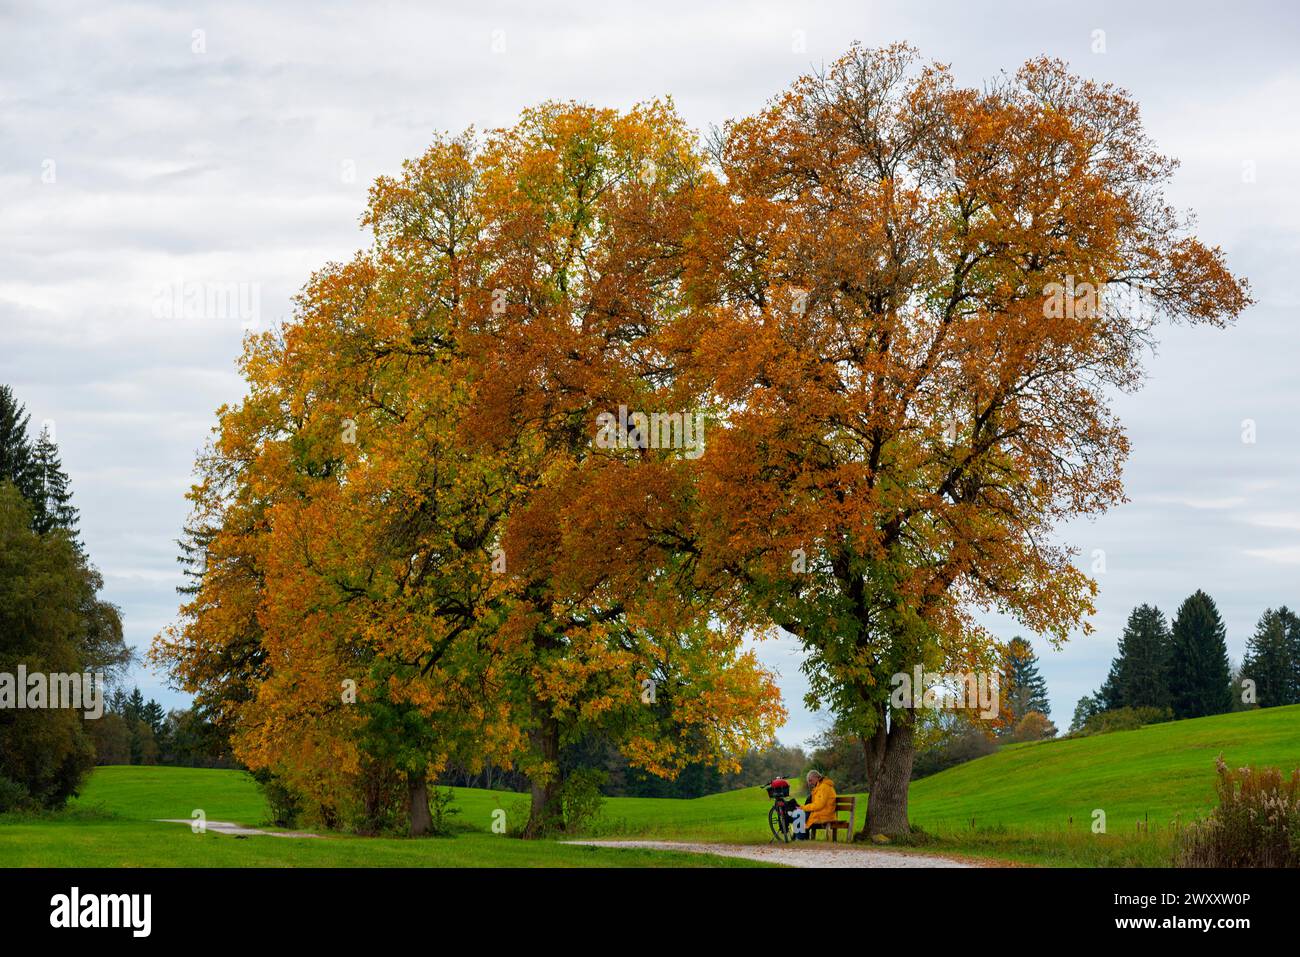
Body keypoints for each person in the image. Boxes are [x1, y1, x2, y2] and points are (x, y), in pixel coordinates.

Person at [793, 770, 837, 840]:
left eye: (810, 780)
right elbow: (817, 804)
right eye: (809, 781)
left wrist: (803, 808)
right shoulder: (819, 786)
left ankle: (800, 839)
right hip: (821, 812)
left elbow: (819, 805)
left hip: (825, 814)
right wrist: (803, 808)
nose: (810, 783)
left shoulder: (824, 787)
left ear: (817, 777)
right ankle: (802, 838)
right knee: (798, 814)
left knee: (799, 815)